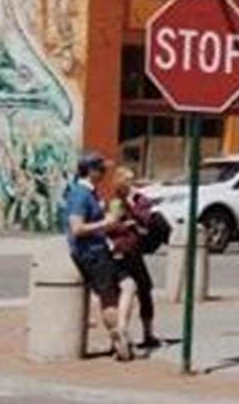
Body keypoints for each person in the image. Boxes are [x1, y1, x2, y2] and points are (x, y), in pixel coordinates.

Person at [65, 153, 136, 361]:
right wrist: (106, 223)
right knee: (109, 297)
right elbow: (76, 228)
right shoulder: (81, 195)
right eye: (101, 169)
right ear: (92, 171)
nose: (105, 173)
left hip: (101, 248)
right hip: (92, 253)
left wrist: (115, 224)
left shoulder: (91, 193)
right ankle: (119, 339)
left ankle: (120, 330)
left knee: (129, 285)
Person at [107, 167, 160, 350]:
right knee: (125, 290)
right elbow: (110, 225)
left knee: (144, 289)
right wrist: (126, 225)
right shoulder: (115, 202)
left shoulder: (139, 201)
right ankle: (120, 333)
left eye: (133, 180)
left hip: (134, 250)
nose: (132, 184)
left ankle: (147, 334)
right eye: (128, 180)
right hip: (123, 250)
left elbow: (147, 221)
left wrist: (136, 217)